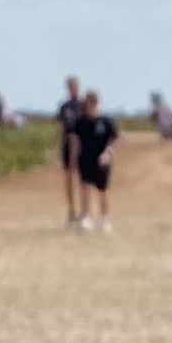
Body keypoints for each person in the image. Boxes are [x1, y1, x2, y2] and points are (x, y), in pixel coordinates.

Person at [75, 85, 118, 230]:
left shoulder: (106, 121)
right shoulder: (81, 121)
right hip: (85, 158)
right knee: (85, 187)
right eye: (88, 103)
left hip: (101, 160)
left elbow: (113, 139)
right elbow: (76, 140)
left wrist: (108, 152)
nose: (90, 106)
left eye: (93, 102)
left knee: (103, 189)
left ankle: (105, 219)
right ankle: (85, 216)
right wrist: (75, 158)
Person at [57, 72, 86, 227]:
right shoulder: (64, 107)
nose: (72, 89)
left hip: (81, 144)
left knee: (82, 178)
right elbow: (61, 127)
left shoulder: (84, 105)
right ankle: (71, 210)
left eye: (75, 87)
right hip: (67, 143)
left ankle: (83, 211)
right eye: (70, 87)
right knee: (69, 178)